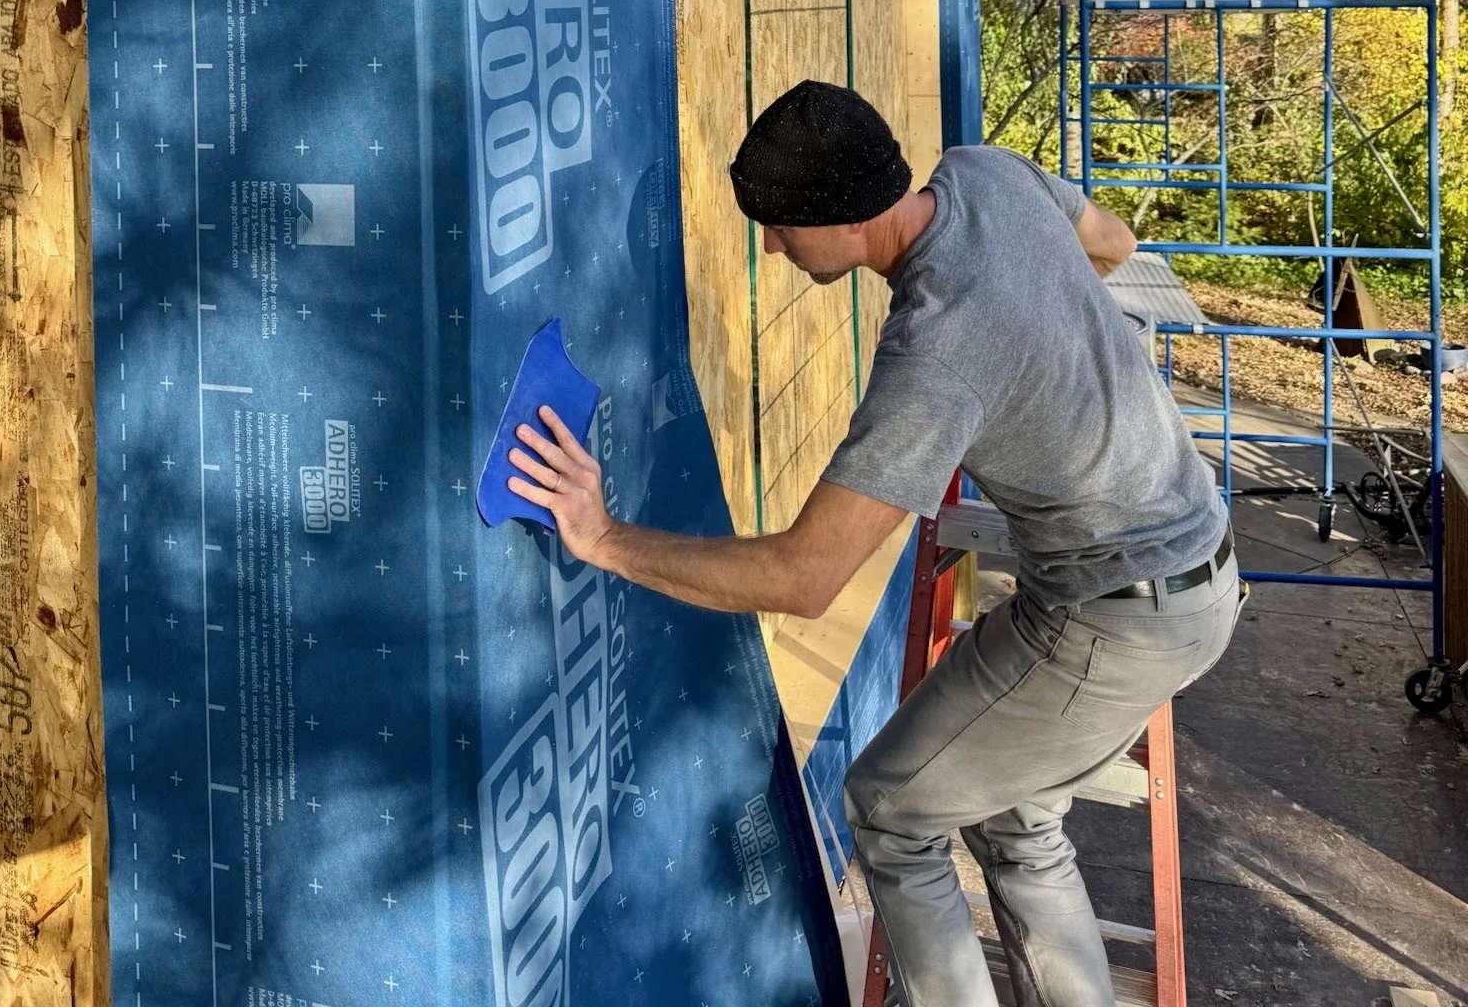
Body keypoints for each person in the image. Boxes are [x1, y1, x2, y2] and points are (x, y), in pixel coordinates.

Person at [508, 80, 1240, 1006]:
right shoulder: (988, 175)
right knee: (1016, 824)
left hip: (1114, 621)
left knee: (890, 814)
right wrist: (1042, 362)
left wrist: (605, 538)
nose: (772, 248)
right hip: (1188, 573)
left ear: (848, 218)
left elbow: (805, 576)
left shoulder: (940, 351)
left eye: (780, 228)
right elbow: (1115, 244)